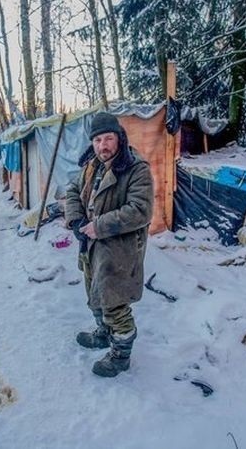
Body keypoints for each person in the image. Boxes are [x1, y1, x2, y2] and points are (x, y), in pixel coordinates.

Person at [65, 112, 154, 378]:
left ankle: (121, 355)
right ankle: (103, 333)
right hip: (91, 247)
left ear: (119, 138)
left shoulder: (136, 168)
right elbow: (71, 191)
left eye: (108, 138)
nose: (103, 145)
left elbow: (140, 210)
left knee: (114, 304)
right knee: (95, 294)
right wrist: (76, 219)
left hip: (119, 250)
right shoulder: (92, 165)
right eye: (98, 140)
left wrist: (98, 225)